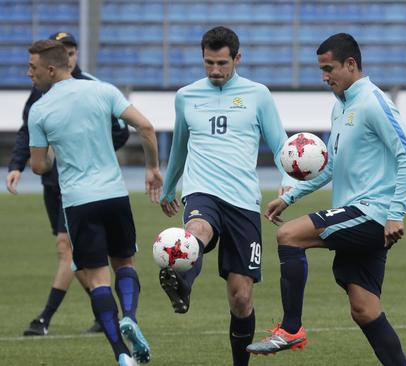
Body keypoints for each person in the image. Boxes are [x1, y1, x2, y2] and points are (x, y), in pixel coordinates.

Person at [246, 33, 406, 366]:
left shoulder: (373, 102)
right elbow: (333, 166)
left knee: (289, 236)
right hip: (358, 213)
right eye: (321, 69)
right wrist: (291, 195)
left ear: (351, 64)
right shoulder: (340, 107)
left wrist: (395, 213)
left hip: (372, 214)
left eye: (329, 69)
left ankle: (292, 328)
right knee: (365, 311)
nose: (325, 77)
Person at [158, 26, 295, 366]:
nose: (215, 71)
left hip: (244, 202)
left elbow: (282, 145)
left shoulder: (258, 95)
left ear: (237, 58)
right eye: (208, 63)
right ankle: (181, 281)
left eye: (222, 63)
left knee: (240, 297)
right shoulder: (186, 96)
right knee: (198, 231)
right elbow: (180, 147)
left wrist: (287, 180)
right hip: (201, 190)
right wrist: (169, 186)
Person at [27, 39, 161, 366]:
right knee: (125, 265)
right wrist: (152, 168)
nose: (28, 74)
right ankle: (130, 315)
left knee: (98, 280)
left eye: (32, 68)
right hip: (114, 194)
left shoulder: (40, 110)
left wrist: (54, 151)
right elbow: (144, 126)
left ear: (50, 68)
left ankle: (121, 354)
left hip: (78, 202)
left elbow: (39, 166)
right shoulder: (102, 90)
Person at [6, 31, 130, 336]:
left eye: (73, 51)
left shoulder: (93, 87)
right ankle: (106, 312)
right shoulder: (39, 93)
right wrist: (16, 166)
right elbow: (28, 132)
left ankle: (45, 318)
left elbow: (122, 130)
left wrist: (90, 151)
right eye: (66, 51)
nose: (70, 56)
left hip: (83, 188)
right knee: (73, 254)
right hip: (53, 184)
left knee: (66, 249)